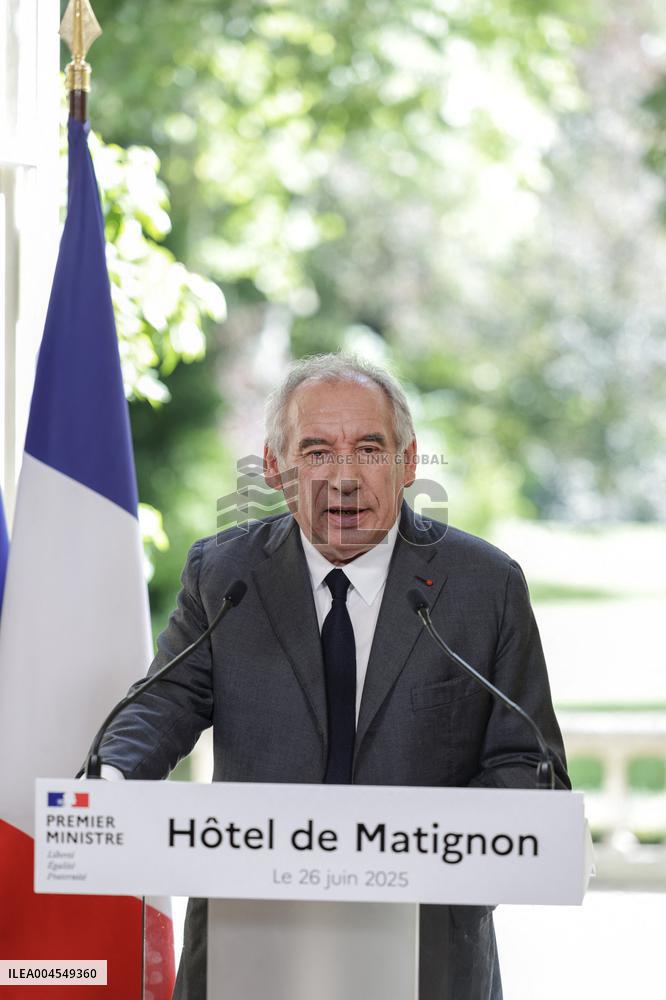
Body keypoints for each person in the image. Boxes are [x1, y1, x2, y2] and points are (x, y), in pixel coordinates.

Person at [97, 353, 570, 1000]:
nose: (343, 478)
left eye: (369, 449)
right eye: (316, 451)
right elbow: (165, 704)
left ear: (407, 464)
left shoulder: (482, 587)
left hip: (425, 952)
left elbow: (531, 765)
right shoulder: (225, 575)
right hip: (251, 940)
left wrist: (428, 849)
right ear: (273, 467)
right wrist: (111, 780)